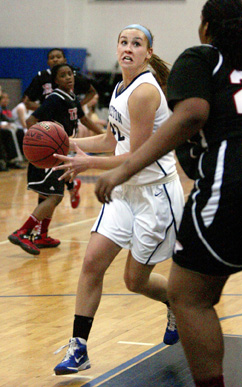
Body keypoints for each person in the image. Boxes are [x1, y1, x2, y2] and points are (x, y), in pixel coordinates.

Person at [94, 2, 242, 386]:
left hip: (230, 188)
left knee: (188, 295)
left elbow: (191, 114)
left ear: (206, 27)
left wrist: (124, 166)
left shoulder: (202, 58)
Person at [52, 24, 184, 375]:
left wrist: (87, 163)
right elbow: (113, 141)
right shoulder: (121, 87)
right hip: (124, 191)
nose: (128, 47)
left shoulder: (144, 92)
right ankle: (79, 347)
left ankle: (174, 300)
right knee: (92, 263)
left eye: (136, 43)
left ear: (148, 53)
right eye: (123, 42)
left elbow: (134, 157)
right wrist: (70, 145)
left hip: (154, 196)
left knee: (134, 281)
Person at [8, 63, 104, 256]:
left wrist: (106, 136)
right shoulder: (54, 99)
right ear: (55, 81)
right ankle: (23, 232)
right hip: (50, 155)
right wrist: (40, 143)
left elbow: (85, 121)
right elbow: (31, 121)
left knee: (47, 196)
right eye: (63, 75)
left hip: (62, 154)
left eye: (70, 74)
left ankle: (42, 235)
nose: (68, 77)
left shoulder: (72, 98)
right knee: (55, 197)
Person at [23, 48, 102, 209]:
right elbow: (27, 103)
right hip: (48, 132)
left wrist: (74, 106)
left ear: (65, 59)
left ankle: (37, 229)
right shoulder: (43, 80)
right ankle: (36, 230)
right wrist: (45, 108)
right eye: (52, 57)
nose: (55, 59)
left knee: (56, 183)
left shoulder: (70, 87)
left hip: (64, 135)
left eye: (58, 56)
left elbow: (91, 94)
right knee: (52, 189)